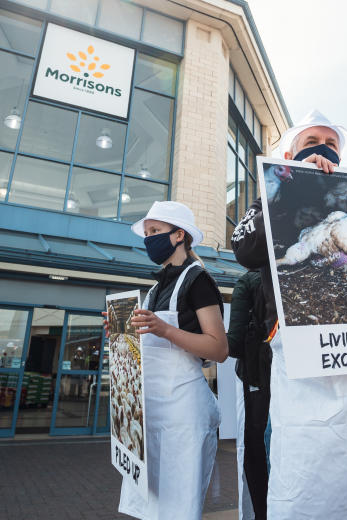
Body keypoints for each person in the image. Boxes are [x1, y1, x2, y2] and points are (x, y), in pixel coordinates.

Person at [231, 109, 347, 520]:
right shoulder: (271, 197)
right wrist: (277, 184)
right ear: (289, 153)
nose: (322, 149)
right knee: (304, 474)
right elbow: (245, 250)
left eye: (331, 143)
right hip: (303, 369)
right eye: (311, 141)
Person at [115, 201, 226, 520]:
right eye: (146, 233)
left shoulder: (198, 280)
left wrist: (163, 329)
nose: (149, 238)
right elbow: (144, 343)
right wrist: (121, 331)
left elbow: (218, 349)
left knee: (178, 504)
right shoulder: (154, 288)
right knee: (150, 501)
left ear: (179, 236)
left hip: (183, 412)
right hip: (150, 410)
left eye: (155, 231)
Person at [226, 269, 269, 519]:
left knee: (258, 461)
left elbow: (233, 344)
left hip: (257, 384)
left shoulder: (250, 280)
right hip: (303, 389)